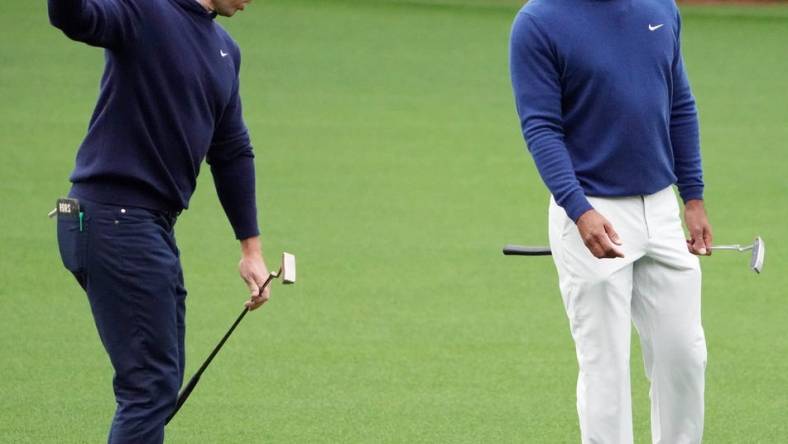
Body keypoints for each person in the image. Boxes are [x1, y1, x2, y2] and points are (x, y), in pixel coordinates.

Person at [49, 0, 270, 442]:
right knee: (148, 387)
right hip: (115, 221)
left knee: (157, 385)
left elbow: (231, 151)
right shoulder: (146, 10)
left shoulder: (225, 49)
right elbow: (74, 18)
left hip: (146, 227)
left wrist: (251, 250)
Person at [509, 1, 712, 443]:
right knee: (606, 368)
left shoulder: (661, 7)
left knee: (685, 354)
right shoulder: (537, 23)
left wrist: (692, 196)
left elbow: (679, 103)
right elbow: (541, 127)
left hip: (660, 208)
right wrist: (577, 209)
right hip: (589, 208)